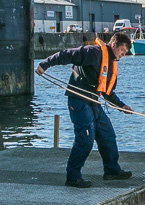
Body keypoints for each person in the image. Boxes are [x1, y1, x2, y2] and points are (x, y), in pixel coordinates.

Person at [38, 30, 136, 188]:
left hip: (93, 101)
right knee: (85, 139)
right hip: (78, 101)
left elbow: (107, 91)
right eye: (122, 50)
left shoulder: (111, 65)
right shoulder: (92, 53)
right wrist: (45, 64)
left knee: (107, 135)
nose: (123, 54)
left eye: (126, 52)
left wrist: (121, 106)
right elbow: (67, 54)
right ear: (114, 45)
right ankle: (73, 176)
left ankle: (111, 170)